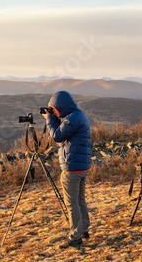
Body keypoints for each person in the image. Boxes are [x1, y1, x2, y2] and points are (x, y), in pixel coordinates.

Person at [42, 91, 92, 249]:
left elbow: (57, 136)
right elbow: (65, 130)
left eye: (54, 109)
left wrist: (49, 118)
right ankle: (84, 229)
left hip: (72, 168)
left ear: (60, 107)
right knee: (79, 200)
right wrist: (54, 117)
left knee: (72, 203)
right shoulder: (77, 115)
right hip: (82, 166)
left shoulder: (72, 119)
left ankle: (75, 237)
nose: (54, 112)